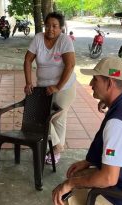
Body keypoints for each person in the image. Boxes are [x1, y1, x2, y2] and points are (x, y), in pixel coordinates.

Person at [52, 56, 122, 205]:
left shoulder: (118, 124)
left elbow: (108, 178)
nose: (90, 84)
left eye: (95, 79)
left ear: (109, 83)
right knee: (78, 177)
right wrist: (88, 162)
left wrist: (70, 184)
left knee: (64, 195)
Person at [24, 12, 76, 164]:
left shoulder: (64, 40)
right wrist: (28, 82)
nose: (50, 29)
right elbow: (27, 61)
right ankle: (58, 146)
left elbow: (70, 65)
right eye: (47, 25)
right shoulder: (38, 38)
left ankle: (55, 151)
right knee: (43, 116)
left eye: (54, 26)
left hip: (64, 87)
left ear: (61, 28)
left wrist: (57, 87)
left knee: (56, 118)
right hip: (43, 86)